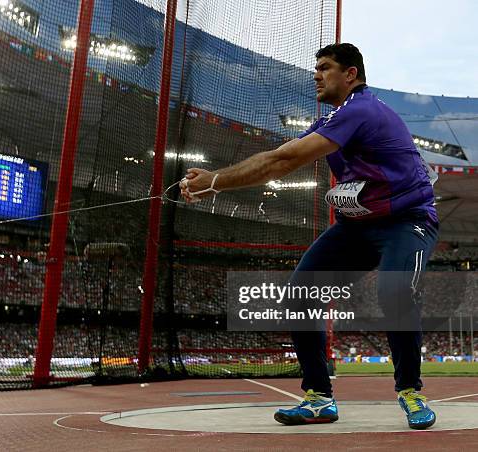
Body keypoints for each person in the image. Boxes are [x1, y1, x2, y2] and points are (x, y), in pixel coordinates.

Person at [180, 43, 438, 430]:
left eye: (324, 67)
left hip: (407, 220)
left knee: (395, 289)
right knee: (301, 294)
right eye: (315, 68)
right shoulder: (333, 120)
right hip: (357, 226)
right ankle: (318, 397)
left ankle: (410, 391)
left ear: (350, 74)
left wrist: (216, 182)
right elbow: (279, 155)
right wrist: (218, 179)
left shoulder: (363, 110)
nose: (315, 75)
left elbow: (286, 161)